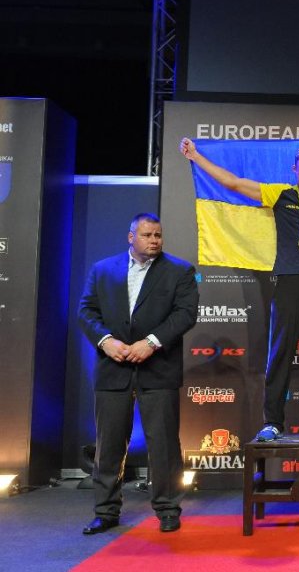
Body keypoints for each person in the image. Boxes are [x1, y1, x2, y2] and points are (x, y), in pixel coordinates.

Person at [180, 138, 299, 441]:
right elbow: (233, 183)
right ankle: (273, 421)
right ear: (293, 170)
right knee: (280, 350)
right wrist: (195, 157)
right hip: (289, 278)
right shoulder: (279, 194)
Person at [78, 213, 199, 534]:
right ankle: (105, 511)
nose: (155, 240)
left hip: (158, 369)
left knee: (163, 445)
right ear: (130, 237)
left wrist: (152, 342)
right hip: (113, 368)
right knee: (109, 444)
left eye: (158, 235)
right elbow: (86, 310)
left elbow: (186, 314)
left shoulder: (180, 271)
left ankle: (168, 508)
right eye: (147, 235)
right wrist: (106, 342)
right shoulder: (103, 270)